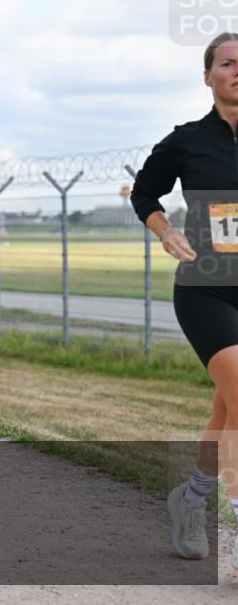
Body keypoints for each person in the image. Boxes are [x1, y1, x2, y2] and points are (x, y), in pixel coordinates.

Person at [130, 32, 238, 568]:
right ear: (208, 76)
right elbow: (145, 192)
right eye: (227, 63)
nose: (237, 70)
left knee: (227, 410)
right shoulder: (189, 139)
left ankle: (191, 500)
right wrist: (164, 230)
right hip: (206, 287)